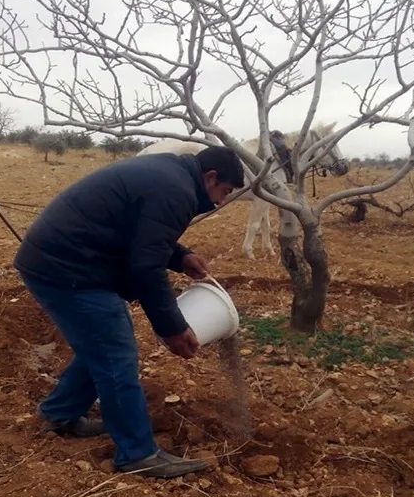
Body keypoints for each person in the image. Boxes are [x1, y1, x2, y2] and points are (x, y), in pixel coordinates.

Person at [13, 145, 244, 478]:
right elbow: (146, 268)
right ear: (210, 177)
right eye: (224, 192)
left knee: (100, 343)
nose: (221, 201)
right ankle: (136, 453)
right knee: (115, 351)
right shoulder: (177, 190)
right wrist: (173, 327)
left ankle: (59, 413)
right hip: (67, 268)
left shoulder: (170, 174)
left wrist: (181, 258)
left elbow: (143, 232)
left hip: (60, 259)